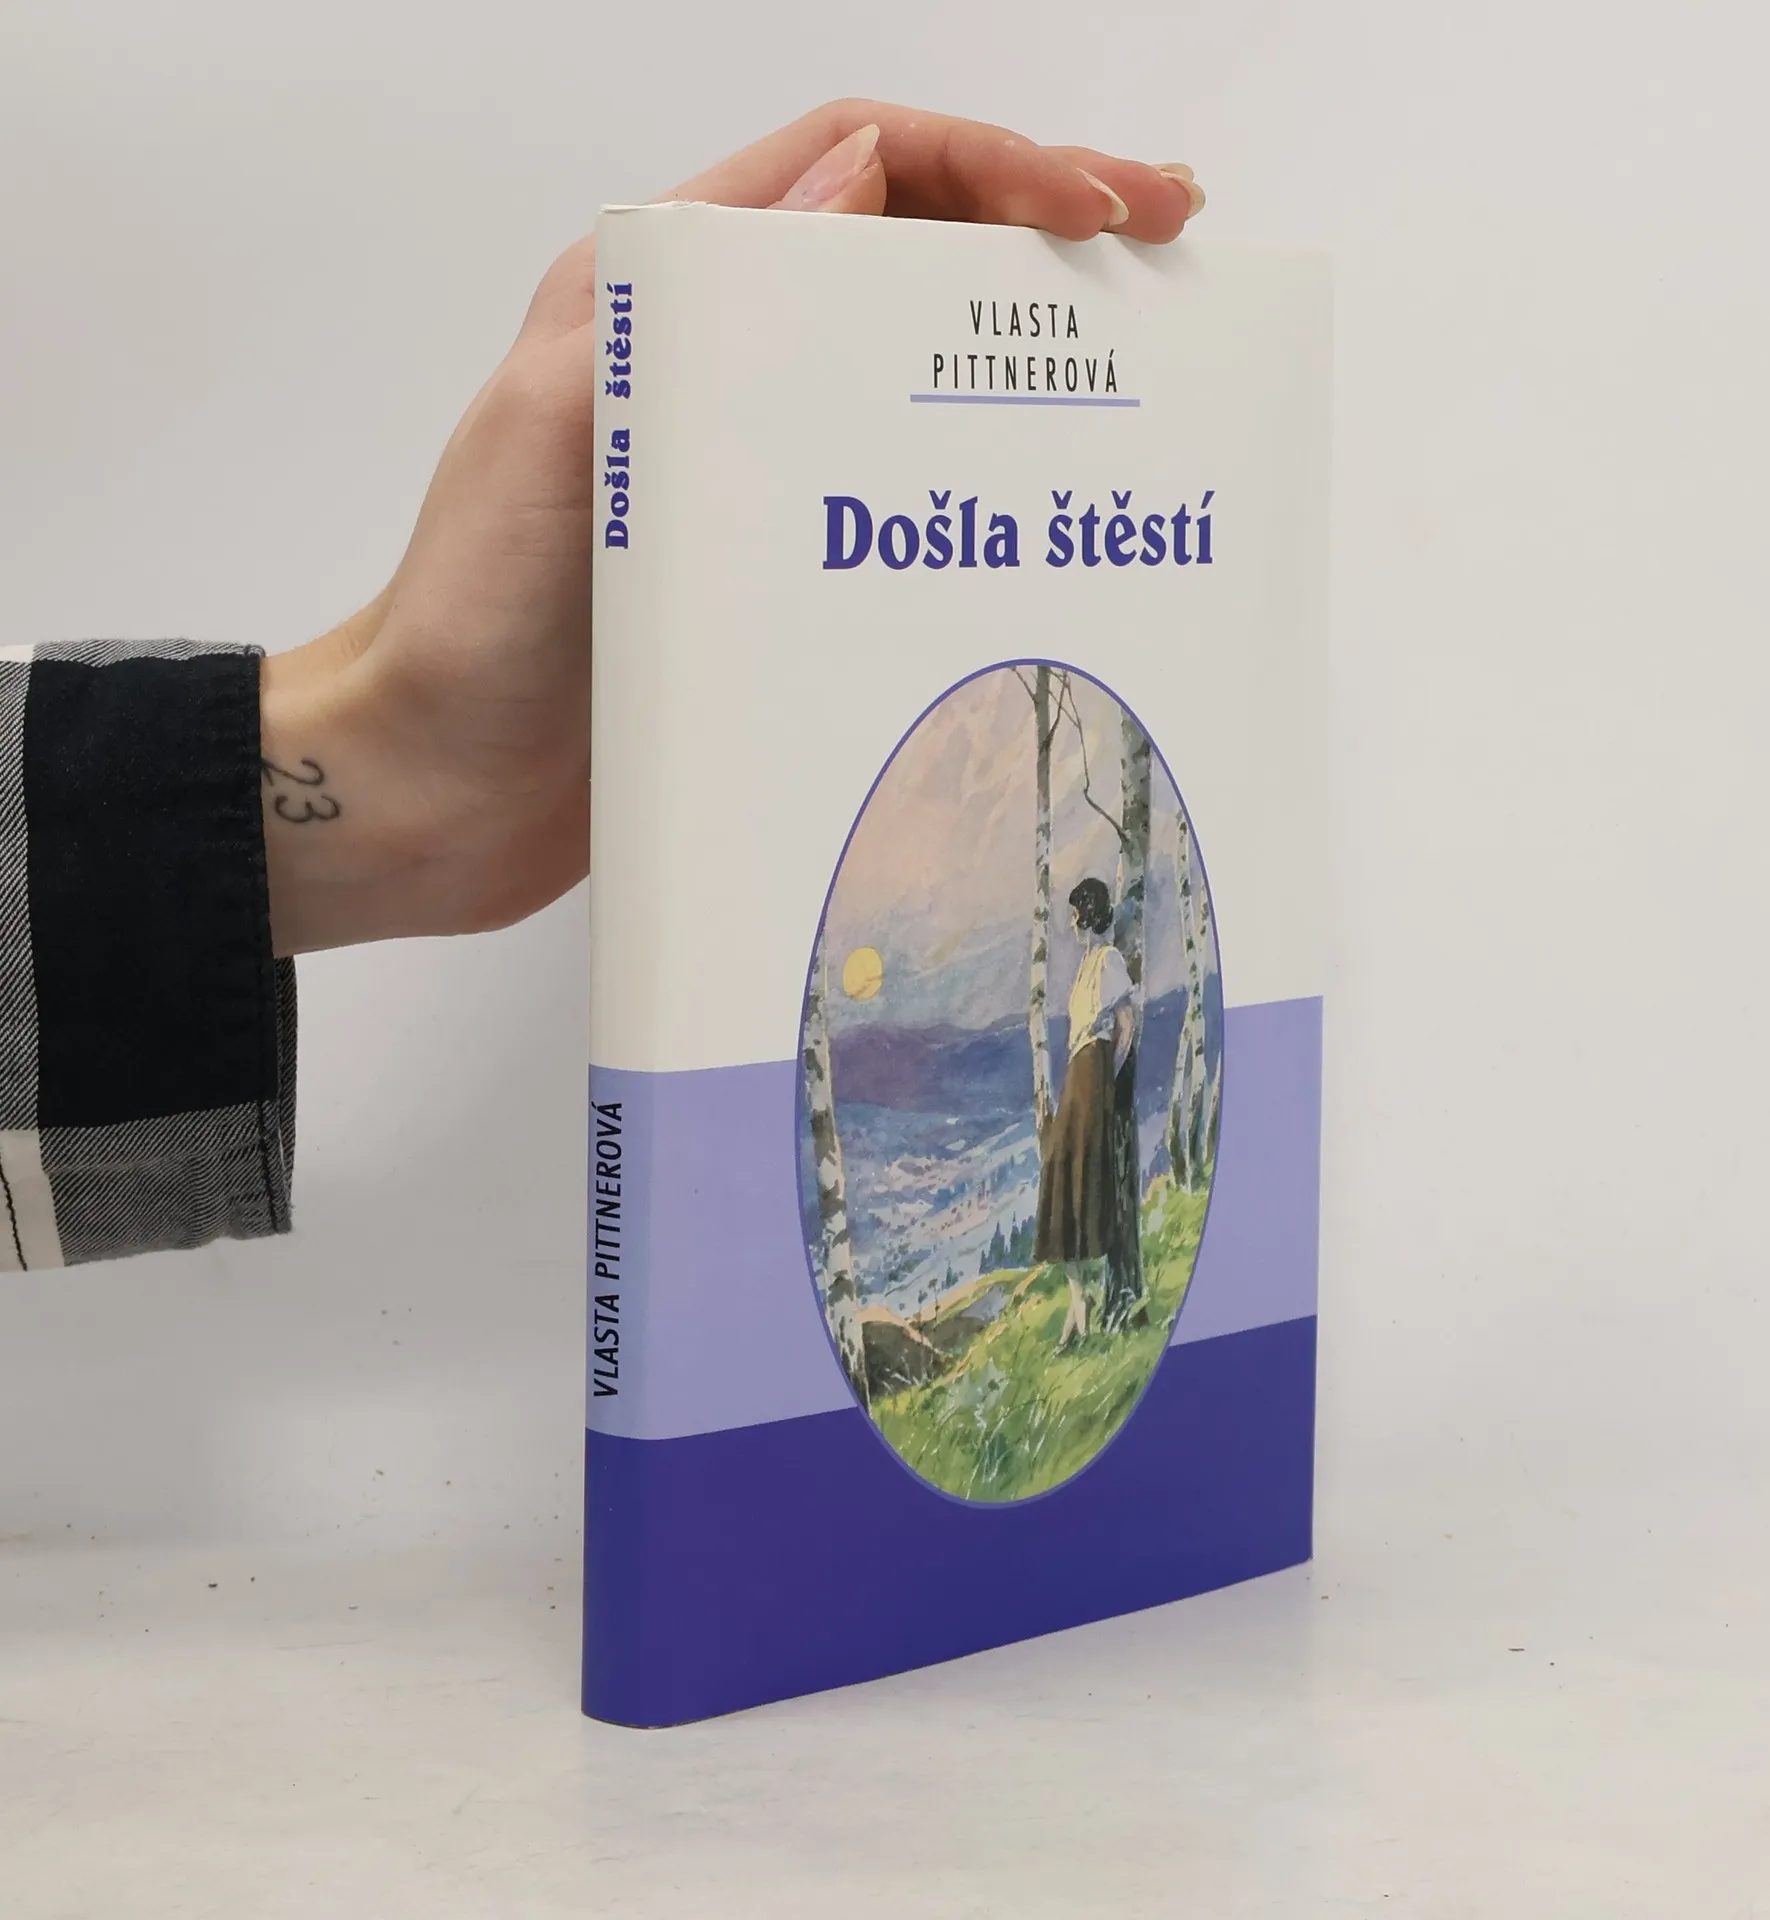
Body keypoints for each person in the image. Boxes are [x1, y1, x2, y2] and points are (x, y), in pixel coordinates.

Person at [0, 104, 1203, 1275]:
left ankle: (1100, 1285)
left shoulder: (1101, 978)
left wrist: (395, 767)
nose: (1087, 928)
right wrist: (393, 758)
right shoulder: (1092, 972)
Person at [1033, 877, 1139, 1352]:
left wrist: (1107, 1080)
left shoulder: (1109, 959)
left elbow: (1125, 1026)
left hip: (1094, 1071)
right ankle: (1079, 1303)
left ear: (1090, 914)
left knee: (1081, 1181)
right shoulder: (1085, 965)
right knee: (1060, 1173)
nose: (1073, 921)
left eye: (1077, 912)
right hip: (1077, 1074)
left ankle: (1083, 1312)